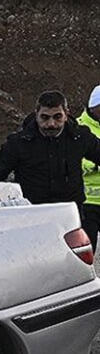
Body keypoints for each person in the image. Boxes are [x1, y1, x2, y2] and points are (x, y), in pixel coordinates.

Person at [0, 91, 100, 218]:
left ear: (66, 114)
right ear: (36, 115)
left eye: (57, 117)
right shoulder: (18, 143)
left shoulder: (79, 137)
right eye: (45, 117)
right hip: (32, 216)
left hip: (70, 216)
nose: (51, 124)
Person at [79, 85, 100, 247]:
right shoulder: (79, 129)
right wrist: (94, 164)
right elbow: (71, 160)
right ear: (93, 107)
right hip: (88, 202)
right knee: (86, 248)